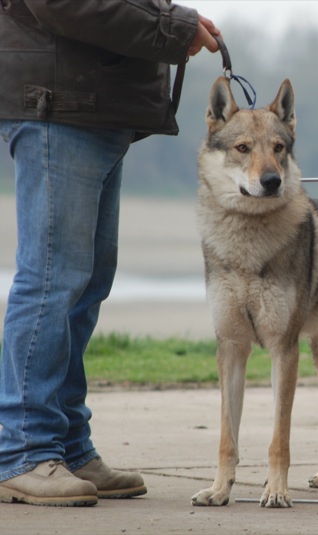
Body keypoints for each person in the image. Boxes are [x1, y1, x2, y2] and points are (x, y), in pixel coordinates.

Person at [0, 1, 220, 507]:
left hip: (90, 104)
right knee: (54, 278)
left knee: (87, 281)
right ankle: (25, 450)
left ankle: (69, 446)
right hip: (60, 103)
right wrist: (172, 27)